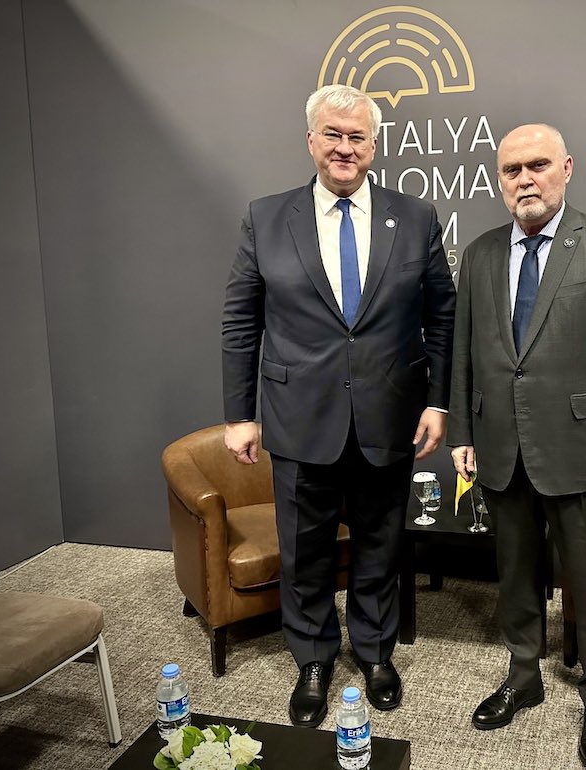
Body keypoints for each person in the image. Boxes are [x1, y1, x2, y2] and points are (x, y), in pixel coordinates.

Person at [222, 85, 456, 729]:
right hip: (298, 416)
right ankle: (314, 659)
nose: (344, 147)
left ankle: (376, 652)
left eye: (357, 137)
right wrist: (240, 415)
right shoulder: (267, 218)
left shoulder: (416, 217)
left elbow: (443, 316)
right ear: (311, 140)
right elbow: (241, 322)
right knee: (305, 550)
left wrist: (438, 401)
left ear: (374, 146)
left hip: (391, 413)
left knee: (382, 542)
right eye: (333, 134)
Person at [448, 124, 586, 770]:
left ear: (566, 168)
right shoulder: (480, 253)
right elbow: (463, 352)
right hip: (500, 446)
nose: (524, 180)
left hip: (584, 450)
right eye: (511, 170)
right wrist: (462, 434)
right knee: (514, 572)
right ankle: (523, 675)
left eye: (536, 165)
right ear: (499, 180)